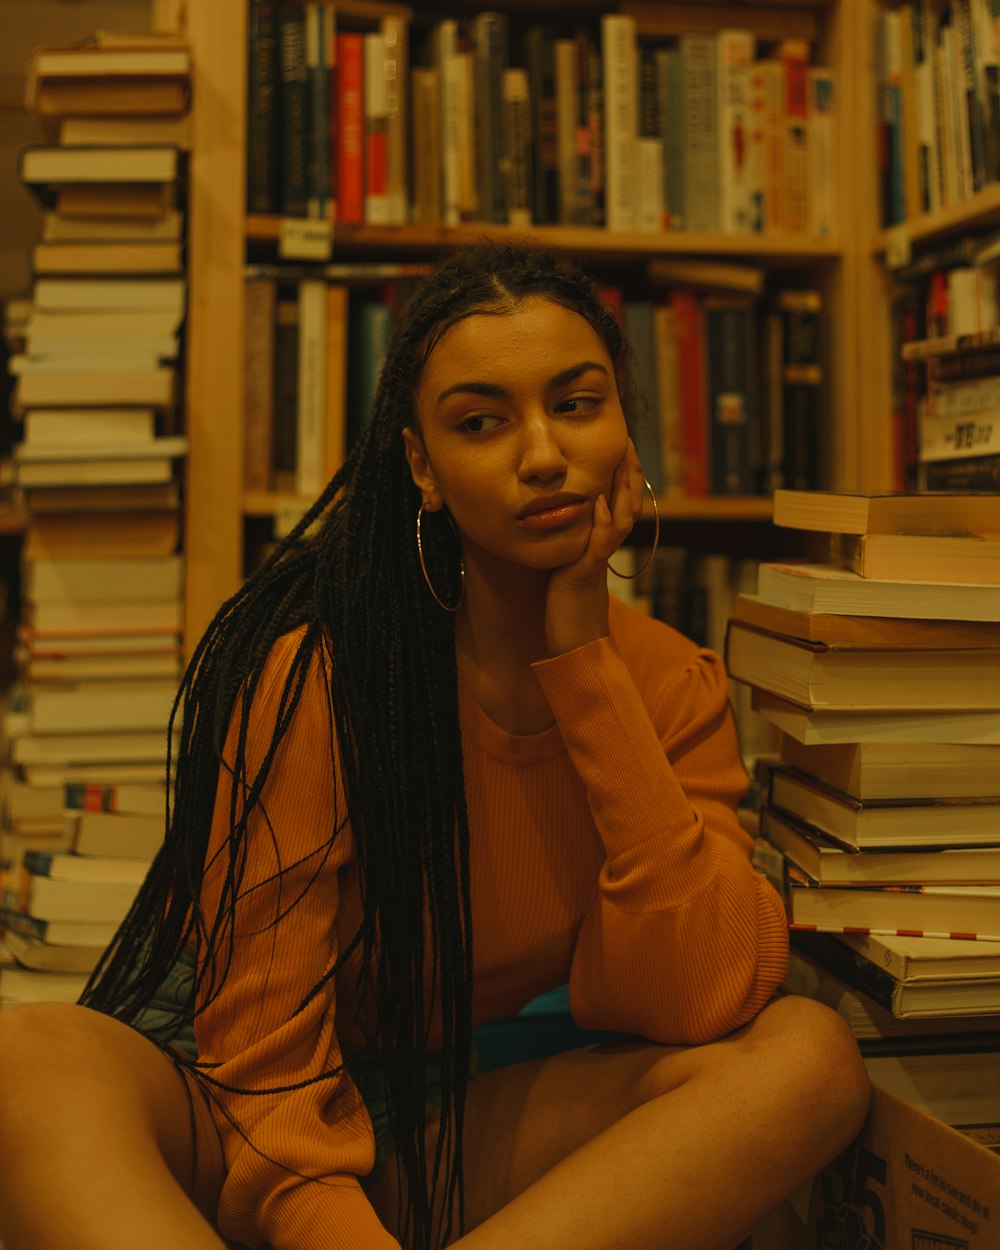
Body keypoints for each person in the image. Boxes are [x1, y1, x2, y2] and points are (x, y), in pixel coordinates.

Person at [0, 242, 869, 1250]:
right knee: (29, 1056)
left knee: (806, 1057)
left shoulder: (666, 682)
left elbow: (692, 995)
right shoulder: (319, 673)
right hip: (242, 1122)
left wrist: (583, 663)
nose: (541, 452)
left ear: (625, 427)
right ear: (422, 464)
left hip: (441, 1130)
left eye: (576, 403)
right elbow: (267, 1074)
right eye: (481, 421)